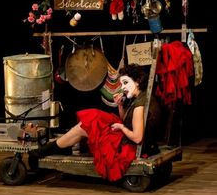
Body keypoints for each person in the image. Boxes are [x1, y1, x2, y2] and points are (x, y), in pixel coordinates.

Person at [29, 63, 161, 181]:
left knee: (87, 125)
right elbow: (127, 121)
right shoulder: (140, 97)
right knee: (92, 118)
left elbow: (137, 138)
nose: (123, 88)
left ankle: (46, 150)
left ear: (137, 82)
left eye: (126, 83)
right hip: (128, 139)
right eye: (122, 84)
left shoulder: (139, 106)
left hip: (128, 145)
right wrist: (120, 106)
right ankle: (52, 149)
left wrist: (121, 127)